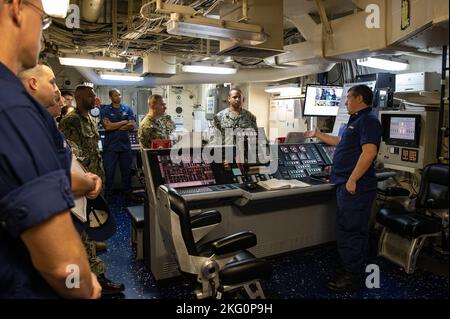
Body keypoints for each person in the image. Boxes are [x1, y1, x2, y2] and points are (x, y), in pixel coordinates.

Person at [0, 0, 100, 298]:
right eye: (42, 20)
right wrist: (84, 288)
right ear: (17, 7)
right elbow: (63, 266)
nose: (43, 34)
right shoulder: (13, 109)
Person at [19, 65, 124, 295]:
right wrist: (86, 182)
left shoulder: (53, 124)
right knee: (77, 242)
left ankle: (85, 277)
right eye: (53, 82)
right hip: (72, 197)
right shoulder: (35, 128)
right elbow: (53, 176)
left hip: (85, 187)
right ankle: (85, 281)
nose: (58, 93)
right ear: (33, 85)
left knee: (87, 234)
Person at [304, 85, 382, 292]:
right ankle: (350, 268)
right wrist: (318, 134)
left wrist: (352, 179)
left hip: (355, 186)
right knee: (347, 228)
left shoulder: (369, 120)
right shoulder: (355, 120)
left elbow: (369, 152)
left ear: (360, 98)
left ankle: (353, 276)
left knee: (351, 229)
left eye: (348, 98)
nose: (345, 102)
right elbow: (340, 142)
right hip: (344, 182)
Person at [100, 88, 141, 203]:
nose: (118, 97)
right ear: (110, 97)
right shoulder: (105, 111)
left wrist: (114, 125)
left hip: (125, 147)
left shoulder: (127, 109)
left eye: (119, 95)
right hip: (111, 147)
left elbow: (132, 125)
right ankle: (107, 197)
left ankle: (128, 194)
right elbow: (107, 127)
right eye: (115, 95)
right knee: (109, 173)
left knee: (127, 172)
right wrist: (123, 122)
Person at [59, 85, 106, 185]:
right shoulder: (71, 120)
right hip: (83, 176)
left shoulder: (91, 119)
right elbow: (71, 154)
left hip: (97, 173)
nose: (94, 99)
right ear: (79, 99)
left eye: (94, 96)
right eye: (90, 96)